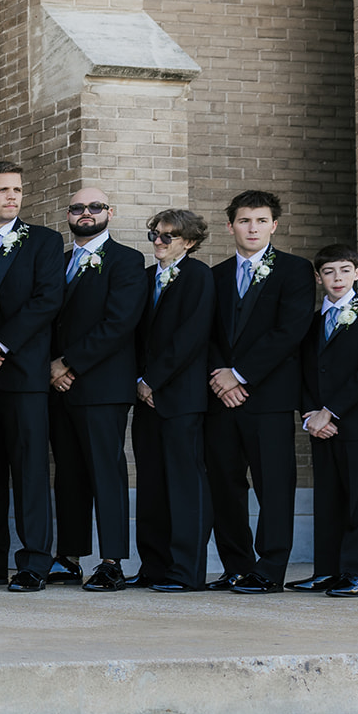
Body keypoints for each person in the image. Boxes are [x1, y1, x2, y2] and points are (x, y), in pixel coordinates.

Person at [204, 189, 316, 594]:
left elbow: (290, 331)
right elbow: (206, 332)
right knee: (224, 485)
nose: (253, 228)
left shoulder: (294, 270)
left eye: (261, 220)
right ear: (230, 225)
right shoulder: (212, 275)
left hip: (267, 398)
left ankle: (269, 569)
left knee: (274, 485)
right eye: (245, 220)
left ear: (274, 225)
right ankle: (236, 565)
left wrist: (241, 374)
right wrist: (221, 377)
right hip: (220, 399)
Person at [0, 160, 65, 592]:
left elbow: (47, 300)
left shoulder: (44, 241)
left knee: (29, 469)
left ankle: (35, 561)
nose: (12, 197)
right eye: (3, 190)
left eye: (17, 191)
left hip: (23, 373)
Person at [48, 187, 147, 592]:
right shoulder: (60, 261)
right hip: (58, 385)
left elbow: (118, 323)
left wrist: (68, 363)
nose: (84, 213)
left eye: (94, 207)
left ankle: (111, 561)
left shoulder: (126, 261)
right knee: (68, 473)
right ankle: (69, 557)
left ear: (110, 211)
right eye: (76, 208)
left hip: (102, 385)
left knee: (106, 472)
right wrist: (51, 369)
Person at [288, 245, 358, 599]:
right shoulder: (311, 322)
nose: (337, 278)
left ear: (357, 273)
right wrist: (308, 415)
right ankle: (326, 571)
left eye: (345, 270)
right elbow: (301, 371)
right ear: (319, 277)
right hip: (319, 425)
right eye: (329, 272)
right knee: (328, 500)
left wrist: (329, 411)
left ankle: (355, 574)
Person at [130, 209, 215, 592]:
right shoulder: (146, 278)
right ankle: (154, 565)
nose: (159, 242)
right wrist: (138, 380)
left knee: (184, 484)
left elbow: (190, 336)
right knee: (151, 483)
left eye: (168, 236)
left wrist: (153, 380)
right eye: (155, 236)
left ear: (190, 242)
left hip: (180, 397)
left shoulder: (198, 276)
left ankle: (186, 570)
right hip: (145, 397)